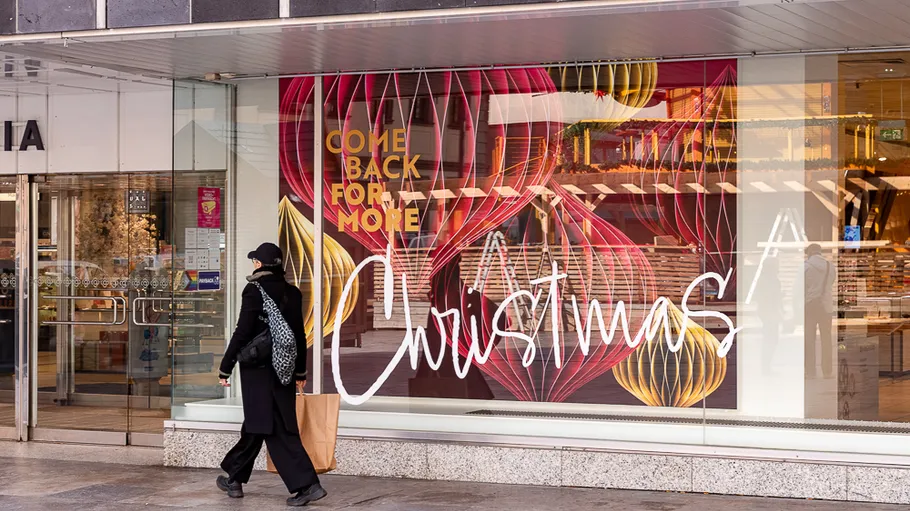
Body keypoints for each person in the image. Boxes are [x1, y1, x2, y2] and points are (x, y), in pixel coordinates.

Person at [216, 242, 326, 507]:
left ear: (258, 264)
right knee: (259, 423)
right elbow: (300, 336)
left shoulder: (253, 291)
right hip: (285, 369)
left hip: (258, 370)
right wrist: (301, 370)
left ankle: (307, 485)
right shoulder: (292, 292)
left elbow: (242, 332)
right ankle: (234, 478)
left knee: (274, 427)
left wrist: (225, 366)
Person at [804, 243, 835, 379]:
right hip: (826, 306)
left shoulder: (805, 267)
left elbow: (801, 287)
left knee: (809, 340)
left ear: (809, 253)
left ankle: (810, 371)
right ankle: (827, 371)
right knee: (826, 339)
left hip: (810, 306)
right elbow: (831, 283)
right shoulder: (830, 266)